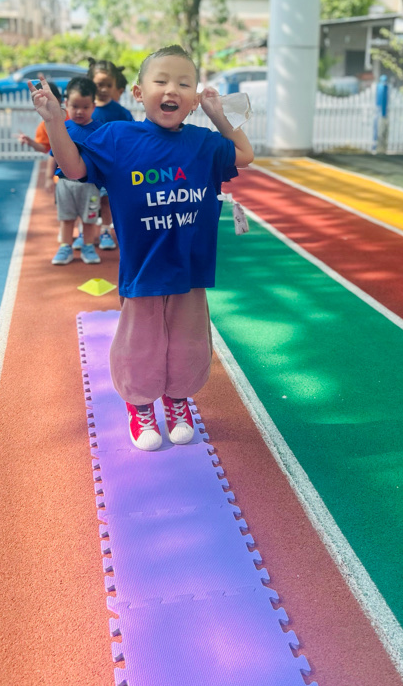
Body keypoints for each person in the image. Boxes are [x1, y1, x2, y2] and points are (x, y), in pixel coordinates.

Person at [31, 44, 254, 451]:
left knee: (188, 343)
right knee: (141, 344)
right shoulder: (119, 138)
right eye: (161, 81)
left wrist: (218, 114)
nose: (172, 90)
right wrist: (55, 122)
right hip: (144, 269)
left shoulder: (203, 143)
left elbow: (245, 154)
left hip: (190, 270)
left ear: (193, 99)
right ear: (138, 92)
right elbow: (75, 167)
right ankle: (140, 406)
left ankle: (178, 400)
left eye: (184, 84)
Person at [49, 76, 103, 266]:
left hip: (90, 185)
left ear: (93, 106)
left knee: (89, 219)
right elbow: (54, 154)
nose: (80, 111)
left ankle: (88, 246)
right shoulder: (61, 128)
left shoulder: (100, 130)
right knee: (66, 218)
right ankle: (65, 247)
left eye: (85, 107)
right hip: (65, 184)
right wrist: (48, 177)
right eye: (75, 106)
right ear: (66, 104)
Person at [89, 60, 133, 250]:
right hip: (89, 165)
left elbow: (130, 137)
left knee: (106, 201)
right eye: (100, 84)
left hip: (111, 166)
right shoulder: (85, 109)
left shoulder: (121, 112)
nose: (104, 89)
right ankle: (85, 233)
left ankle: (106, 231)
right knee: (87, 202)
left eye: (109, 85)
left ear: (116, 86)